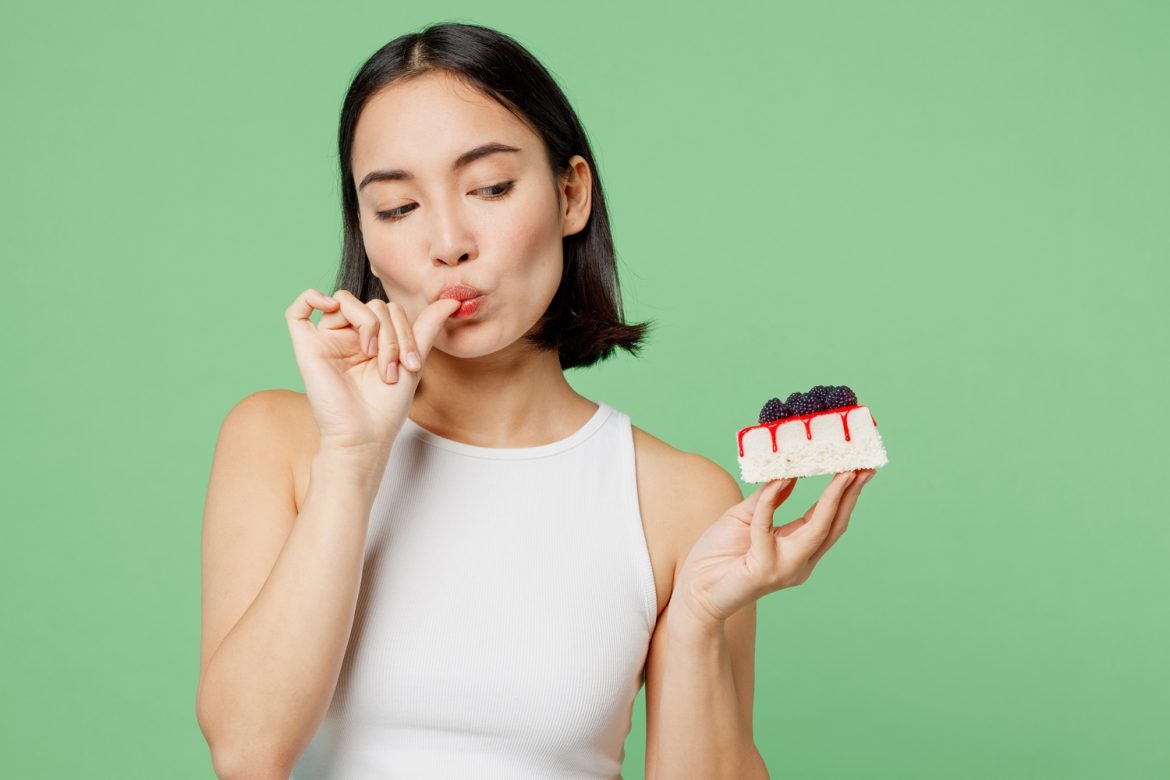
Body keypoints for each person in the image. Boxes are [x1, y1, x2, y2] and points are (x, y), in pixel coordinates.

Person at [195, 21, 875, 780]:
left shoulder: (680, 499)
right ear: (366, 233)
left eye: (489, 188)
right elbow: (248, 753)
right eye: (396, 208)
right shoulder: (280, 442)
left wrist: (695, 623)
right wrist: (354, 460)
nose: (448, 242)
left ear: (570, 194)